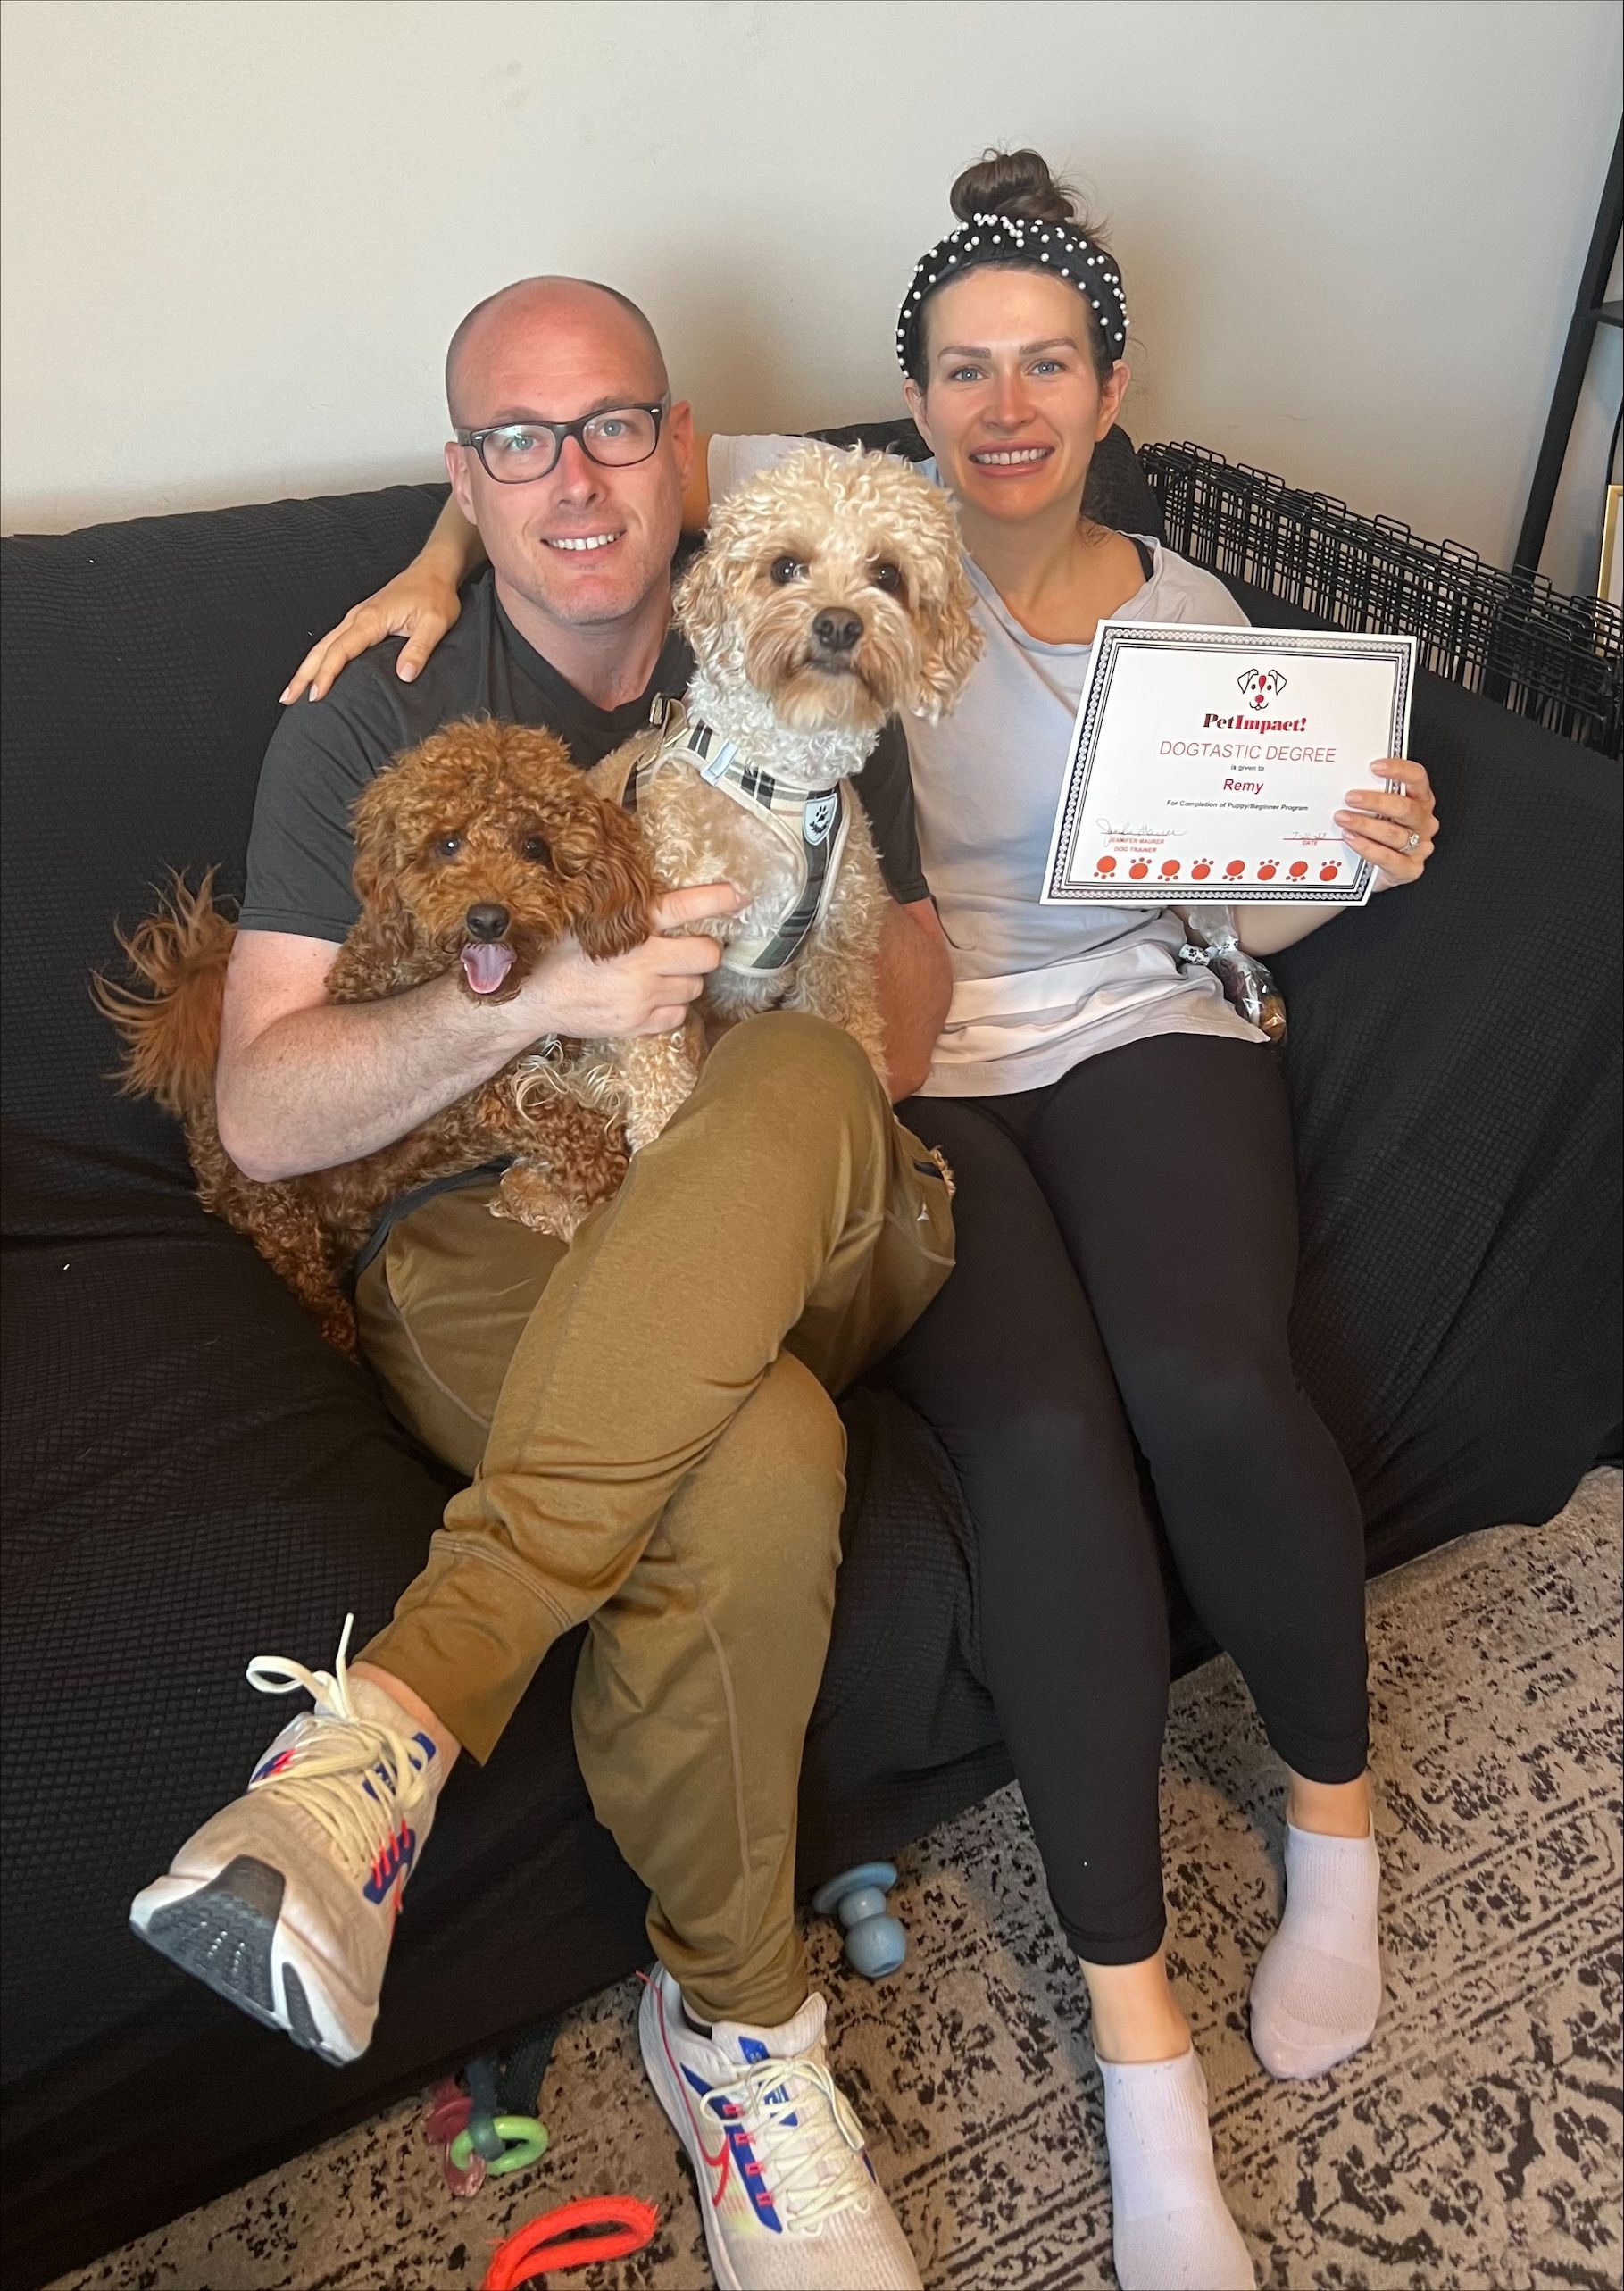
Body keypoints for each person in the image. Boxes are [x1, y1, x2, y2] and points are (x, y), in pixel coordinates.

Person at [292, 152, 1441, 2291]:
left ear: (1111, 389)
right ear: (906, 399)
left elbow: (1233, 883)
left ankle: (1331, 1832)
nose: (1006, 407)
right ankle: (1100, 2040)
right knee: (975, 1438)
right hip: (820, 1088)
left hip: (1047, 1042)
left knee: (1182, 1362)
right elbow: (549, 451)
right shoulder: (739, 546)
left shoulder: (1139, 619)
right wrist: (436, 558)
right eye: (963, 371)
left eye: (1048, 368)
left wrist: (1353, 845)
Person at [129, 274, 962, 2291]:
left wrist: (797, 1063)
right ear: (462, 479)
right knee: (746, 1451)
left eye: (613, 427)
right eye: (515, 440)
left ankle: (391, 1728)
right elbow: (261, 1104)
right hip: (499, 1222)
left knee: (781, 1068)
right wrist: (555, 1008)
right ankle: (747, 2035)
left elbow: (904, 978)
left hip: (824, 1186)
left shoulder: (810, 640)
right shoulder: (377, 704)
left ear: (687, 451)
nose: (572, 474)